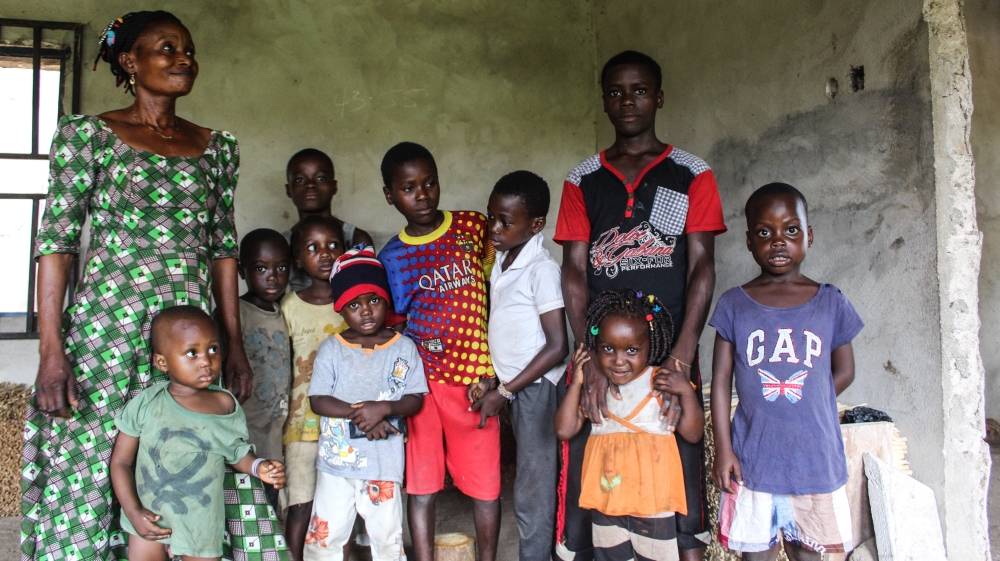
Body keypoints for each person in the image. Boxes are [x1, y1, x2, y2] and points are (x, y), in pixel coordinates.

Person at [22, 11, 284, 561]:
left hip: (191, 336)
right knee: (98, 453)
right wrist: (52, 350)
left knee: (195, 447)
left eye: (188, 49)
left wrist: (232, 342)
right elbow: (56, 246)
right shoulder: (89, 135)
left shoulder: (215, 147)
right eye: (166, 48)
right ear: (129, 62)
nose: (183, 58)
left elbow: (222, 249)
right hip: (109, 332)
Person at [553, 50, 727, 561]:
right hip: (606, 353)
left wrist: (682, 357)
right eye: (616, 91)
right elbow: (574, 272)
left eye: (640, 90)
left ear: (659, 97)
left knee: (681, 480)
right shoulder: (582, 179)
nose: (628, 101)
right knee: (595, 473)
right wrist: (591, 355)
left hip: (669, 355)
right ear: (604, 101)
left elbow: (702, 269)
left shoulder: (691, 173)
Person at [709, 183, 861, 560]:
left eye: (791, 230)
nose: (778, 241)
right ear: (748, 241)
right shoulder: (734, 304)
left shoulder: (831, 301)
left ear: (808, 235)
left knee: (809, 553)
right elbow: (721, 382)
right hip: (753, 461)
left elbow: (844, 371)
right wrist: (724, 449)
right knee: (755, 555)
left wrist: (804, 401)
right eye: (765, 232)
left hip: (813, 460)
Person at [376, 142, 500, 561]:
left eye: (430, 183)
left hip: (475, 382)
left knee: (486, 486)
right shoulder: (392, 257)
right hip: (422, 385)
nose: (423, 195)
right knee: (422, 485)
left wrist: (496, 370)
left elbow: (496, 288)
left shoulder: (472, 226)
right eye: (409, 188)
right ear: (390, 196)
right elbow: (392, 322)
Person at [109, 306, 287, 561]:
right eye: (192, 353)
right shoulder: (146, 404)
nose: (206, 360)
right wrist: (133, 511)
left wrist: (260, 467)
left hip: (201, 527)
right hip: (149, 521)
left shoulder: (224, 404)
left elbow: (236, 453)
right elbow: (121, 462)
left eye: (213, 349)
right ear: (162, 362)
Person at [554, 290, 703, 561]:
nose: (619, 360)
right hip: (606, 504)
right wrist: (576, 384)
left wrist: (687, 393)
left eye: (632, 350)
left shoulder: (662, 382)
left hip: (653, 506)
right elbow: (564, 430)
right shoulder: (596, 391)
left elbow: (693, 434)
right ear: (596, 347)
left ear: (652, 346)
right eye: (608, 349)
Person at [305, 245, 428, 561]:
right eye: (354, 304)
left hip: (383, 462)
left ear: (386, 300)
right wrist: (362, 413)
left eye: (374, 300)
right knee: (326, 535)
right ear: (340, 309)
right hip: (337, 464)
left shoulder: (404, 348)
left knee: (387, 538)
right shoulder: (332, 349)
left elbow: (414, 399)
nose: (366, 310)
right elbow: (318, 399)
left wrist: (384, 408)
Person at [480, 170, 568, 560]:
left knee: (533, 486)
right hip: (515, 388)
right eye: (491, 217)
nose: (493, 228)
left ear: (536, 225)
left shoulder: (541, 270)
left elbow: (557, 346)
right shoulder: (503, 259)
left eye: (504, 221)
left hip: (536, 389)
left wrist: (505, 390)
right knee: (525, 478)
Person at [282, 215, 349, 560]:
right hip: (302, 426)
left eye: (333, 245)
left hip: (348, 426)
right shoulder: (289, 308)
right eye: (313, 247)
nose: (325, 254)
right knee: (300, 506)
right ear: (297, 259)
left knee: (344, 508)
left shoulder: (353, 306)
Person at [223, 228, 293, 507]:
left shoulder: (286, 310)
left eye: (281, 267)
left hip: (272, 435)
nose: (273, 276)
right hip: (242, 436)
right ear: (241, 271)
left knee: (269, 505)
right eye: (261, 268)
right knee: (243, 506)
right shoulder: (234, 314)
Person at [284, 148, 375, 292]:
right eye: (300, 179)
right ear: (289, 190)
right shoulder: (282, 243)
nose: (310, 184)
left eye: (320, 178)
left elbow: (365, 292)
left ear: (334, 187)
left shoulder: (356, 238)